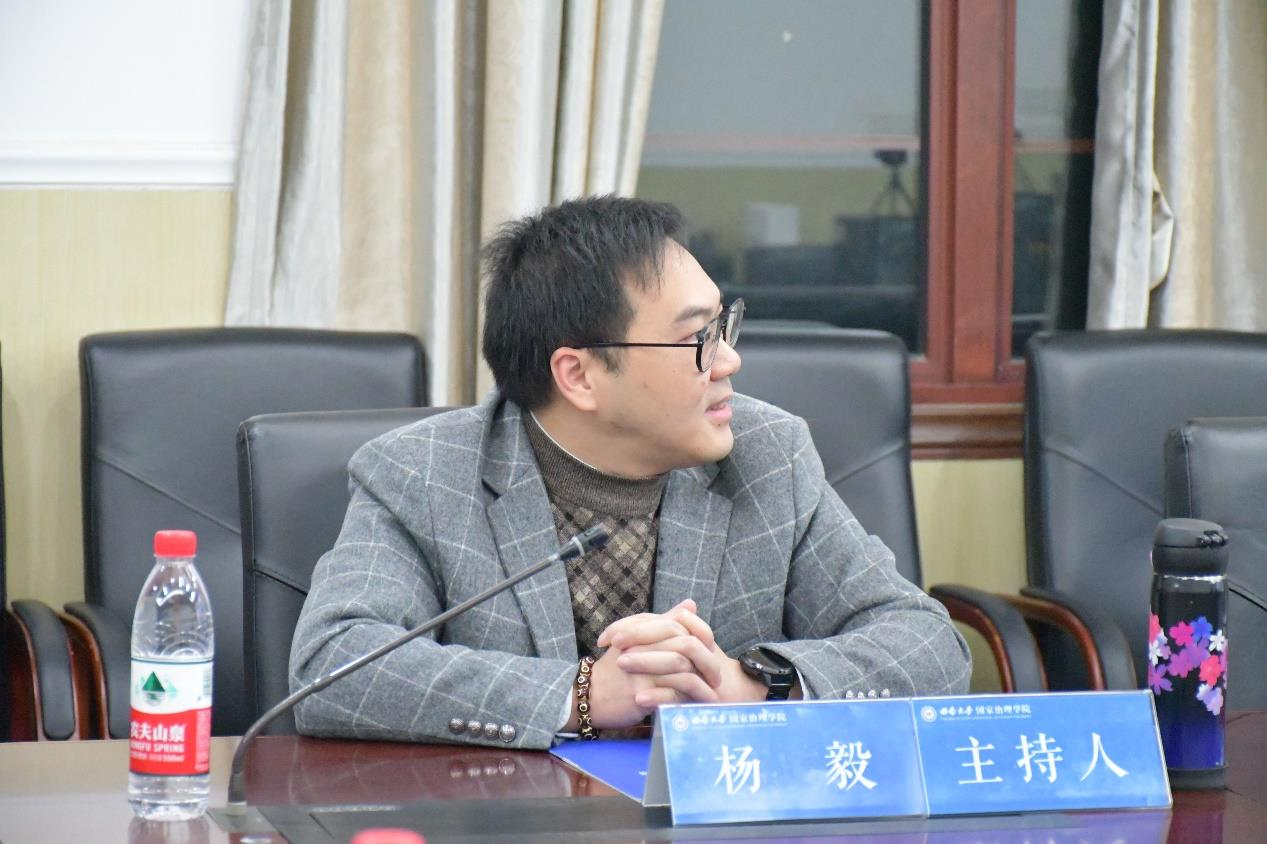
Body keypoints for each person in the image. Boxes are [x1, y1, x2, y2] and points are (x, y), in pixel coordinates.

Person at [289, 196, 971, 749]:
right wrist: (582, 695)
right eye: (696, 337)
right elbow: (334, 664)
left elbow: (928, 644)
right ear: (579, 375)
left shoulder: (768, 454)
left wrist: (752, 687)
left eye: (724, 325)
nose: (729, 360)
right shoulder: (424, 473)